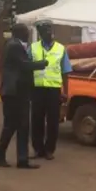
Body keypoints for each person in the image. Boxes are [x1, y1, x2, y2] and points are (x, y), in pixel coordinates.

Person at [0, 23, 48, 169]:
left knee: (23, 126)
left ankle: (22, 159)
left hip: (20, 91)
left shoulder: (15, 44)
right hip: (13, 92)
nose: (28, 33)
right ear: (19, 33)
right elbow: (24, 65)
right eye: (26, 31)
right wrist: (42, 63)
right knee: (11, 125)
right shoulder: (14, 46)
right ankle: (0, 155)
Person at [29, 20, 72, 161]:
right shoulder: (33, 48)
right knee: (37, 120)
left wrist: (65, 91)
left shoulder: (60, 49)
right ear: (41, 34)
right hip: (37, 89)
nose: (50, 34)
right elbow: (27, 68)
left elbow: (65, 72)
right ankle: (38, 149)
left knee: (53, 121)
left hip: (54, 90)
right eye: (46, 31)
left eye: (51, 31)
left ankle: (49, 150)